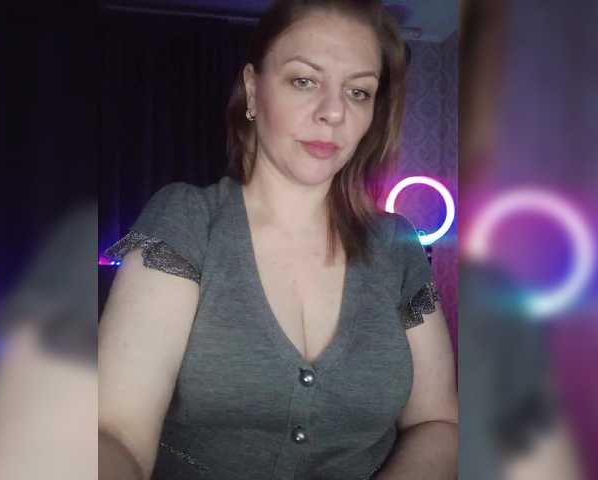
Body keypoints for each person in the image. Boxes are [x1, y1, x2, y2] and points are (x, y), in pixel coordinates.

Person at [99, 1, 457, 479]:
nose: (334, 112)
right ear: (252, 89)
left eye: (358, 92)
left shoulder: (397, 245)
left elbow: (437, 422)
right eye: (304, 81)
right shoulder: (188, 220)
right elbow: (116, 431)